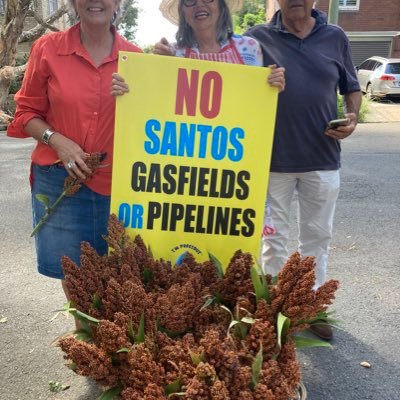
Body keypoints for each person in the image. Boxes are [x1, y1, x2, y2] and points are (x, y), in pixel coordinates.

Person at [7, 0, 142, 303]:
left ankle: (104, 346)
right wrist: (57, 140)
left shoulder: (136, 59)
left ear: (118, 2)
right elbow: (25, 114)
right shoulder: (47, 48)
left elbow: (154, 122)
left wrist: (139, 95)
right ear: (73, 3)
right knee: (77, 284)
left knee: (118, 280)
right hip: (60, 183)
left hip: (118, 188)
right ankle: (86, 339)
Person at [245, 0, 362, 339]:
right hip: (271, 161)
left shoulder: (335, 36)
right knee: (273, 241)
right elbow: (227, 74)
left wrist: (352, 118)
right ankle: (272, 307)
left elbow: (351, 87)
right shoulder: (256, 38)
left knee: (317, 237)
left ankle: (312, 306)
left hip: (322, 158)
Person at [111, 0, 285, 94]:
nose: (199, 4)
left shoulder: (249, 48)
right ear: (183, 12)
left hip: (234, 154)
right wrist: (135, 83)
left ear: (221, 6)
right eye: (189, 1)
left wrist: (271, 85)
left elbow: (254, 99)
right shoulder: (172, 53)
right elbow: (157, 101)